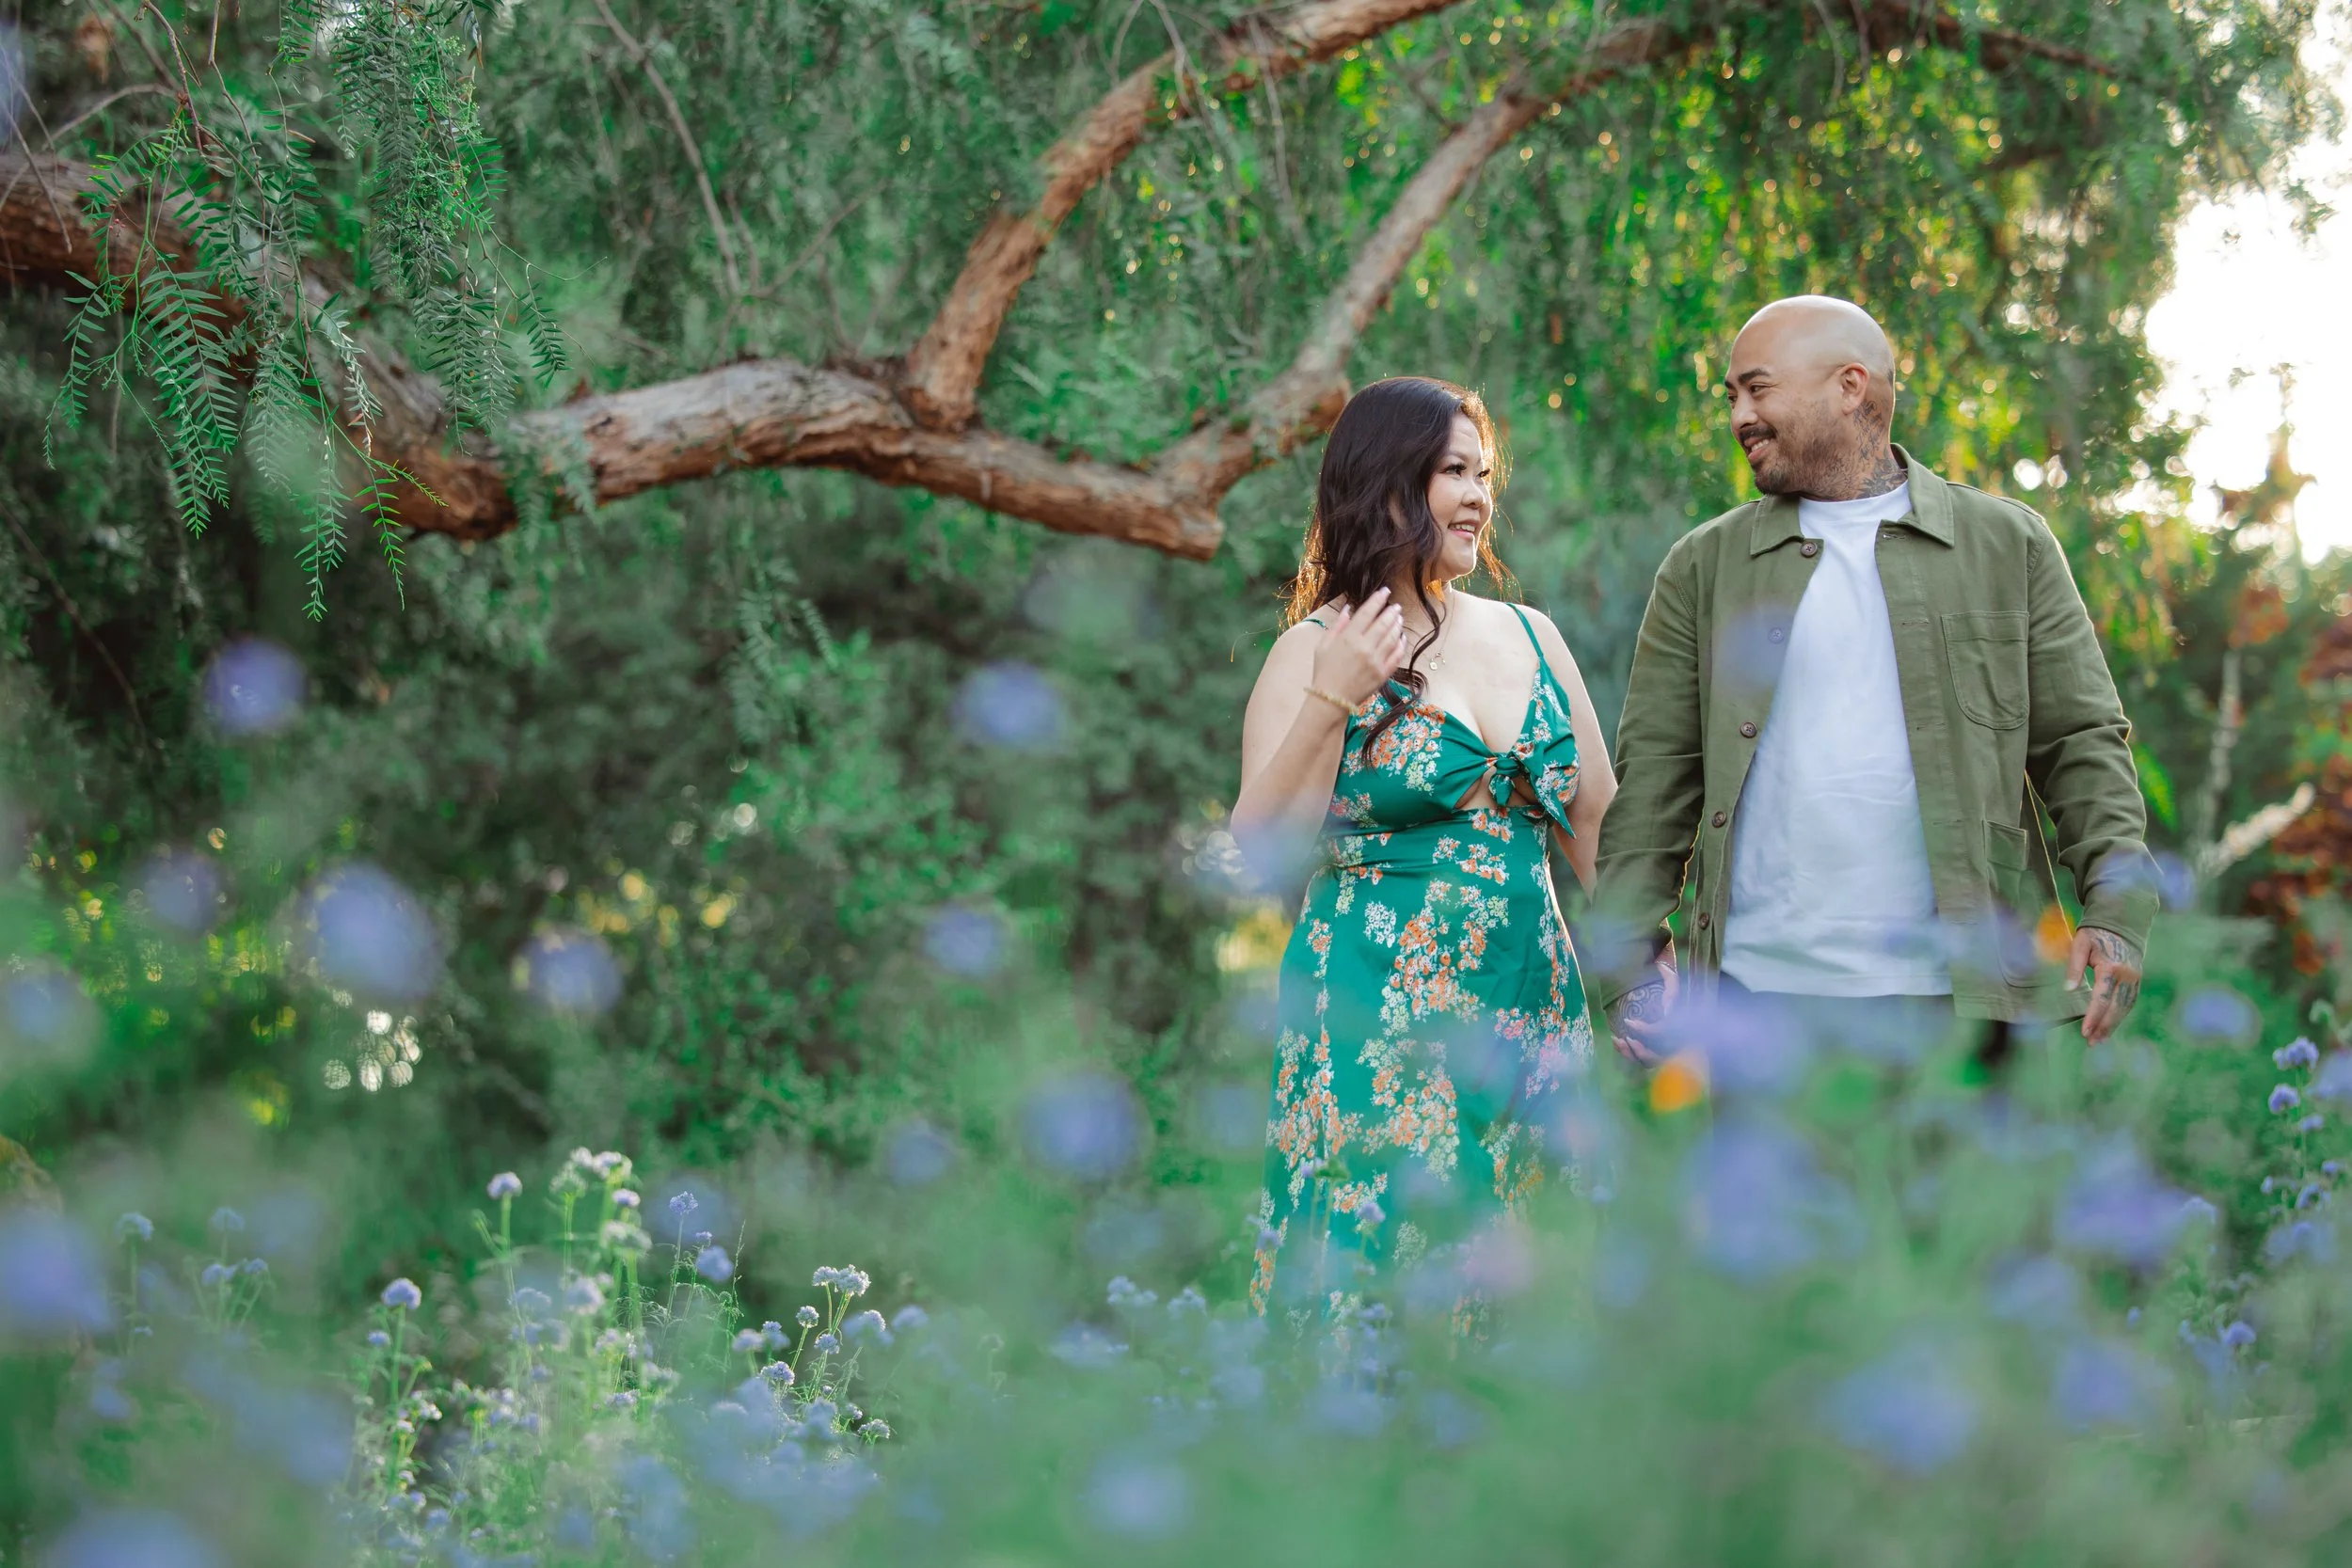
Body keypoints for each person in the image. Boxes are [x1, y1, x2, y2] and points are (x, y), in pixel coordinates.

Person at [1590, 295, 2159, 1068]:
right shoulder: (1703, 566)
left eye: (1758, 389)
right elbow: (1657, 773)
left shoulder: (2006, 543)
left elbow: (2081, 741)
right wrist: (1629, 960)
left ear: (1851, 385)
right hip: (1758, 1003)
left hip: (1961, 1000)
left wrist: (2116, 907)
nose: (1740, 416)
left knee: (1960, 1196)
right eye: (1732, 397)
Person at [1231, 375, 1615, 1321]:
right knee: (1384, 1278)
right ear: (1387, 483)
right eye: (1454, 471)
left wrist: (1653, 968)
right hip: (1377, 1012)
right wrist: (1333, 695)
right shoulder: (1314, 648)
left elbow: (1603, 826)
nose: (1481, 494)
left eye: (1483, 473)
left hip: (1532, 1006)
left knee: (1537, 1279)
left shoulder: (1534, 635)